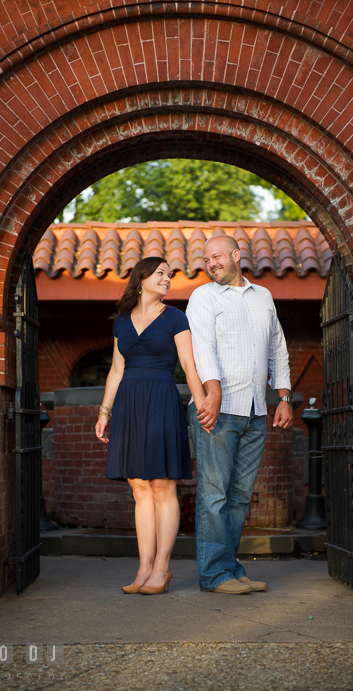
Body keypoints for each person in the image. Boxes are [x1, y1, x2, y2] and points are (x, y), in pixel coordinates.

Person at [186, 234, 293, 594]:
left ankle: (230, 568)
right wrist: (212, 393)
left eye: (216, 256)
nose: (210, 263)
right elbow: (202, 346)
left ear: (236, 255)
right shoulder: (203, 296)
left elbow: (277, 346)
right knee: (214, 496)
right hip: (217, 410)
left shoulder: (263, 296)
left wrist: (284, 396)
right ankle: (214, 576)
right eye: (206, 259)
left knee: (239, 497)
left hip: (255, 410)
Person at [95, 256, 208, 595]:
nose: (167, 279)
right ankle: (143, 567)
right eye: (160, 273)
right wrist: (104, 412)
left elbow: (189, 365)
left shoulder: (175, 317)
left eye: (169, 275)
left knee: (162, 486)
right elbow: (116, 370)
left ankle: (162, 567)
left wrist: (202, 404)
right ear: (141, 279)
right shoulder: (121, 322)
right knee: (139, 488)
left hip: (161, 399)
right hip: (129, 403)